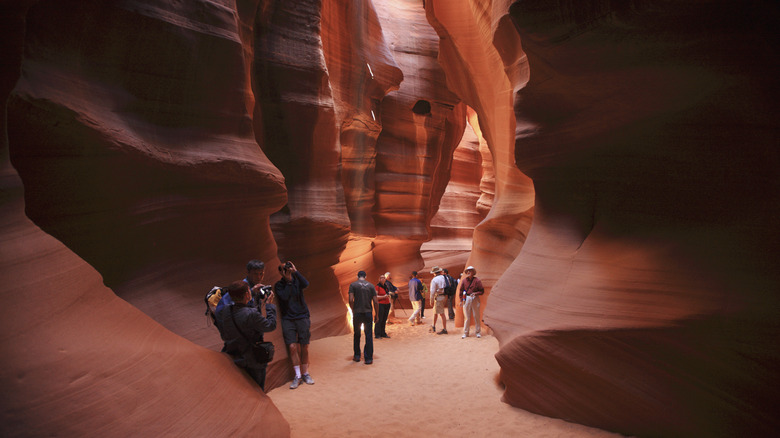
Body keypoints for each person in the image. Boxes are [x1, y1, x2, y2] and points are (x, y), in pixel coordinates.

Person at [215, 281, 277, 391]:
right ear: (247, 294)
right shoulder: (251, 314)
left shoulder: (226, 310)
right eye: (249, 291)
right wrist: (269, 305)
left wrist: (253, 293)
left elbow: (242, 311)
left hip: (234, 356)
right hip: (252, 360)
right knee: (257, 391)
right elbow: (270, 326)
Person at [274, 261, 314, 389]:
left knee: (304, 346)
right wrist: (288, 281)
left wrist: (295, 272)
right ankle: (297, 376)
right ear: (280, 272)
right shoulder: (279, 285)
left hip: (302, 316)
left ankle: (305, 373)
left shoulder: (297, 280)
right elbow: (284, 297)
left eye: (287, 267)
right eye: (283, 269)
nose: (286, 270)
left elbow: (306, 284)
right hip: (288, 319)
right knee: (292, 346)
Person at [349, 271, 378, 364]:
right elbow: (375, 301)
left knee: (357, 334)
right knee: (368, 335)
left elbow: (350, 299)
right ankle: (368, 358)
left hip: (357, 313)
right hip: (368, 313)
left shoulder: (353, 285)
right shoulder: (371, 286)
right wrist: (376, 314)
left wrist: (353, 310)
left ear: (357, 276)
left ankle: (357, 356)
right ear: (365, 276)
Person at [457, 266, 484, 339]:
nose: (468, 272)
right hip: (467, 298)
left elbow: (482, 291)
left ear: (473, 272)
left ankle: (478, 332)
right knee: (467, 317)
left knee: (476, 316)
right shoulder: (464, 281)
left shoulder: (477, 280)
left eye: (470, 271)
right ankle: (466, 333)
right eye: (467, 271)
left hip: (475, 298)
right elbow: (461, 290)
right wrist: (461, 300)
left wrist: (476, 293)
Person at [429, 266, 448, 334]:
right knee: (435, 312)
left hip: (438, 297)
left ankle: (445, 329)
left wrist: (431, 301)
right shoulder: (445, 277)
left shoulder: (434, 280)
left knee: (441, 313)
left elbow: (432, 292)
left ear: (434, 273)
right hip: (444, 296)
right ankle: (433, 326)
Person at [375, 275, 391, 339]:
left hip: (387, 304)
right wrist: (383, 297)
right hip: (380, 304)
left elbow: (387, 294)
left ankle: (383, 333)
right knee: (379, 319)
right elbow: (375, 297)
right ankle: (377, 334)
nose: (383, 279)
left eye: (384, 277)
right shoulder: (377, 287)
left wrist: (388, 296)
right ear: (379, 279)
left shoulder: (386, 286)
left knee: (384, 319)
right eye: (381, 277)